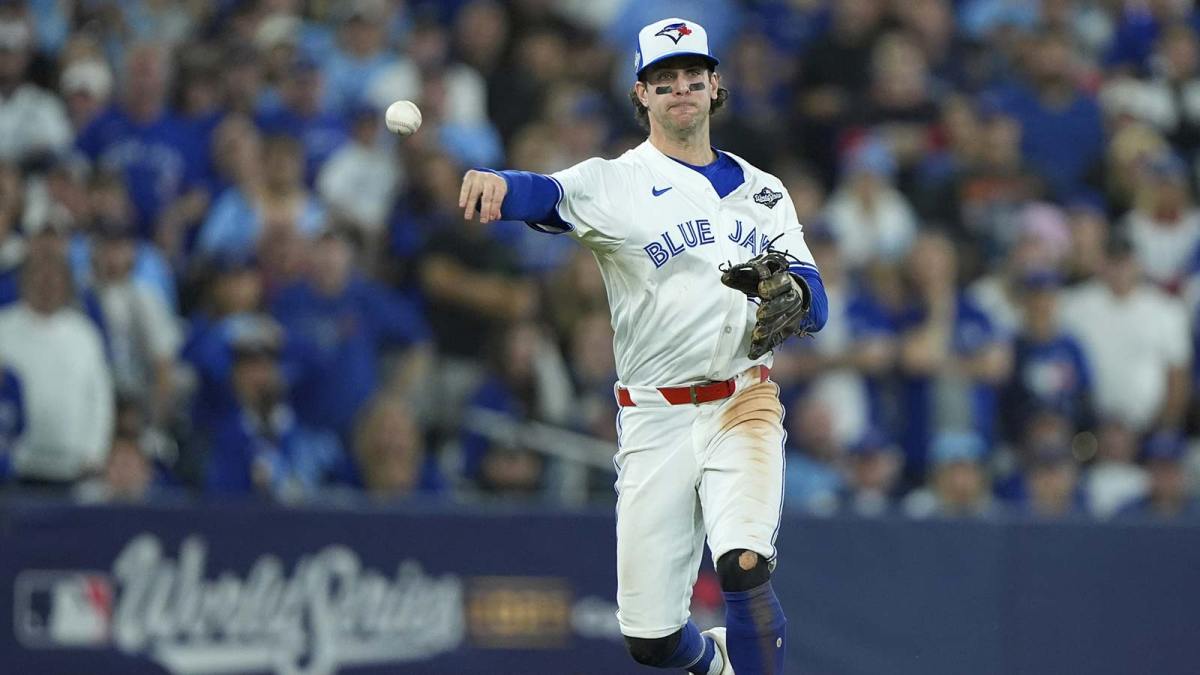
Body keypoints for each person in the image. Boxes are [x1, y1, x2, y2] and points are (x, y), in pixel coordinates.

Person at [457, 18, 828, 675]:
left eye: (692, 77)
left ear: (716, 86)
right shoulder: (618, 182)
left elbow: (815, 299)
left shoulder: (763, 189)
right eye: (665, 81)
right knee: (651, 637)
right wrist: (498, 184)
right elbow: (546, 194)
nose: (680, 89)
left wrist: (795, 297)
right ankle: (712, 665)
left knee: (744, 563)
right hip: (654, 415)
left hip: (742, 401)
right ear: (642, 95)